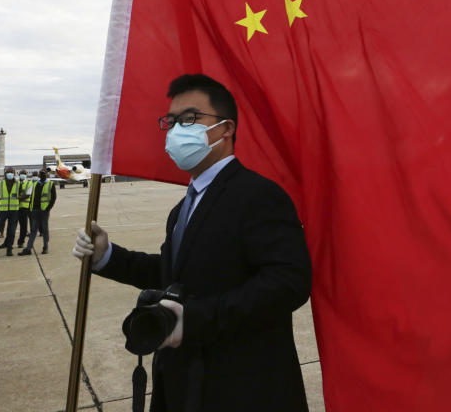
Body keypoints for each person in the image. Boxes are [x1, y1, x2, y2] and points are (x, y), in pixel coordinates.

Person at [72, 74, 312, 412]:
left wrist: (195, 319)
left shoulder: (259, 195)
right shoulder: (183, 207)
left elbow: (289, 283)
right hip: (184, 384)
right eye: (171, 122)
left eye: (189, 119)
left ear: (226, 129)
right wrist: (107, 257)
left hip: (241, 387)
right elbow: (175, 274)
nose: (176, 131)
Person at [18, 169, 56, 255]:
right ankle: (28, 249)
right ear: (39, 175)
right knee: (33, 230)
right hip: (35, 210)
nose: (42, 175)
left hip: (44, 211)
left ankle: (45, 247)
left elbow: (53, 198)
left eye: (44, 174)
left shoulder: (50, 184)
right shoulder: (35, 184)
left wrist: (48, 208)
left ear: (46, 175)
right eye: (41, 174)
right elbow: (31, 197)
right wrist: (30, 208)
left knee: (45, 230)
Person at [16, 169, 31, 247]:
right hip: (14, 207)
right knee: (12, 226)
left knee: (23, 226)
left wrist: (17, 199)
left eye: (24, 174)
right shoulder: (15, 183)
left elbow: (28, 195)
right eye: (21, 174)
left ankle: (21, 242)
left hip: (24, 208)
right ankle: (8, 243)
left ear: (27, 175)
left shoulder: (29, 183)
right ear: (19, 174)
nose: (23, 175)